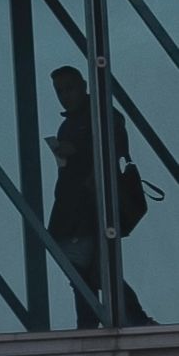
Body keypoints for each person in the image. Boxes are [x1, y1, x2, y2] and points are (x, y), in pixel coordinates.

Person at [47, 65, 150, 328]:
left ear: (83, 86)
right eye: (60, 91)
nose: (64, 96)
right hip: (76, 210)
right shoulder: (72, 124)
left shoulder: (102, 116)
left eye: (69, 88)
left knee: (87, 273)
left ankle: (97, 324)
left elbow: (112, 146)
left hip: (88, 210)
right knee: (95, 272)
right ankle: (128, 319)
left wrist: (78, 150)